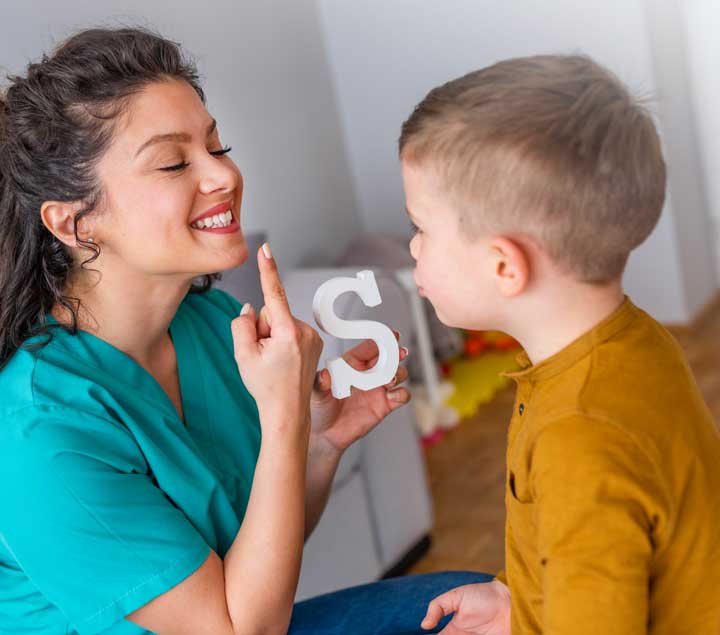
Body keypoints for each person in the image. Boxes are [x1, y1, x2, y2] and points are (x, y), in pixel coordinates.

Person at [0, 26, 478, 635]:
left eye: (217, 147)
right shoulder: (39, 430)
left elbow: (257, 552)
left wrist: (318, 443)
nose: (224, 176)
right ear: (74, 222)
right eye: (174, 162)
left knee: (475, 608)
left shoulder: (215, 325)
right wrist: (283, 417)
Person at [398, 55, 720, 634]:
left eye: (421, 228)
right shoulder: (631, 339)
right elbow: (602, 551)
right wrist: (518, 600)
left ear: (504, 266)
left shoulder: (581, 437)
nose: (414, 248)